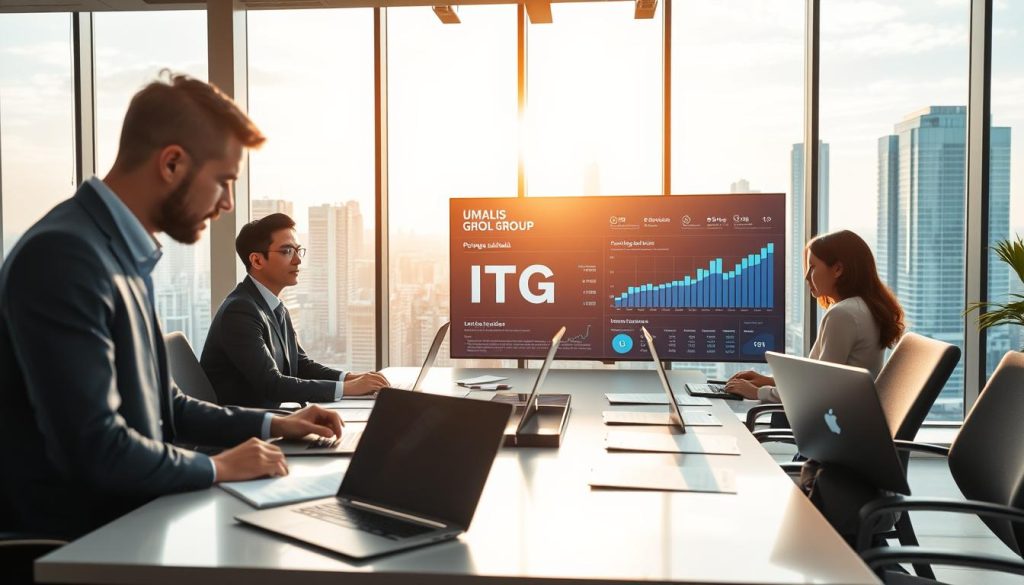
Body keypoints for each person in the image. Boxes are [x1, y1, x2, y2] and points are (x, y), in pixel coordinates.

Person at [0, 72, 344, 539]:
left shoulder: (120, 253)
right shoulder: (66, 255)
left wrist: (277, 424)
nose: (227, 203)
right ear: (172, 163)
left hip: (140, 518)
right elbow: (96, 449)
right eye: (223, 181)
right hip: (87, 542)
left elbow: (169, 405)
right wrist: (218, 467)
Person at [201, 213, 389, 408]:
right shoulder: (239, 311)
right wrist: (348, 388)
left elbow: (301, 366)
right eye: (287, 251)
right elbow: (272, 384)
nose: (298, 260)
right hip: (247, 423)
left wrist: (351, 378)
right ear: (257, 261)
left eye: (298, 250)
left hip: (272, 416)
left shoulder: (275, 306)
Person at [725, 229, 905, 401]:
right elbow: (814, 376)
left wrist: (758, 393)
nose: (806, 277)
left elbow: (818, 388)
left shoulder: (842, 315)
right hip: (845, 412)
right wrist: (769, 381)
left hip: (833, 417)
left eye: (812, 267)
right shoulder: (862, 307)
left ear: (838, 269)